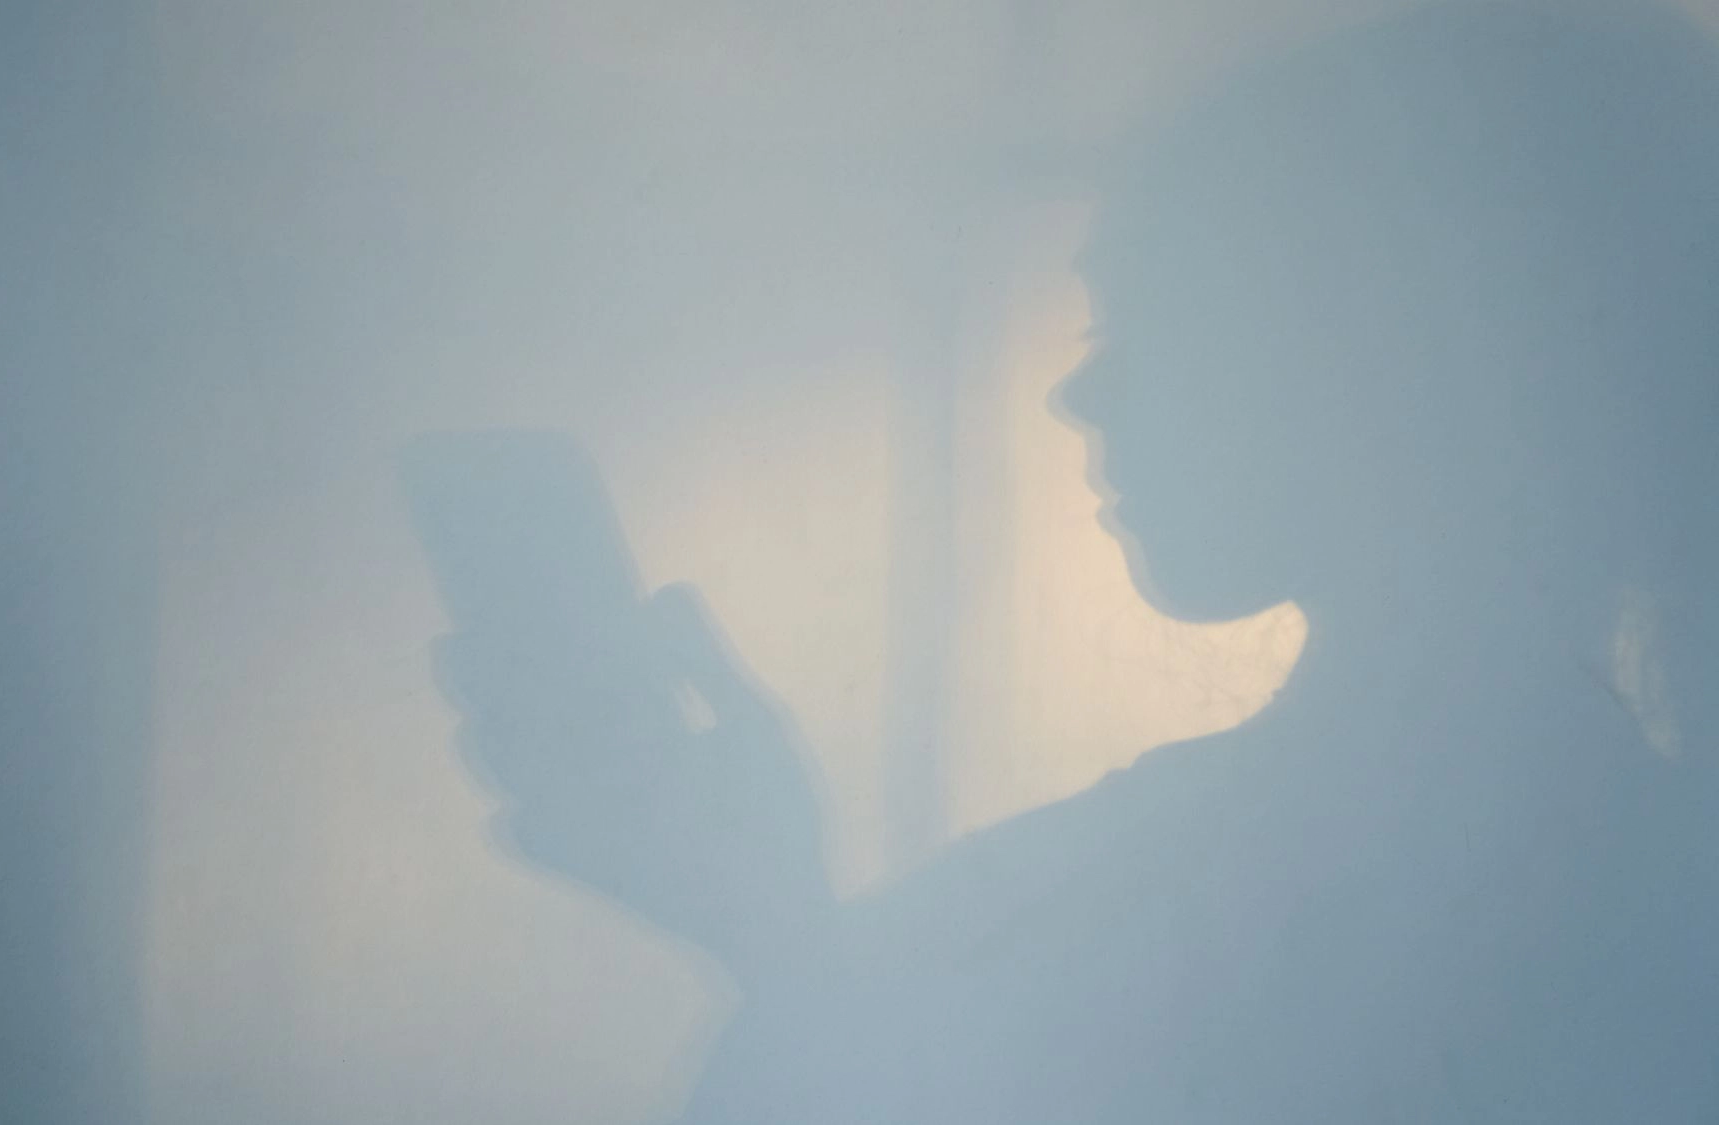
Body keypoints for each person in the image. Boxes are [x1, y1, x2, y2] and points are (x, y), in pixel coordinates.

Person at [434, 3, 1719, 1120]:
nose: (1078, 394)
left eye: (1165, 322)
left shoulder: (1162, 896)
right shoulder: (1645, 894)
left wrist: (773, 931)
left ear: (1409, 362)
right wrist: (772, 927)